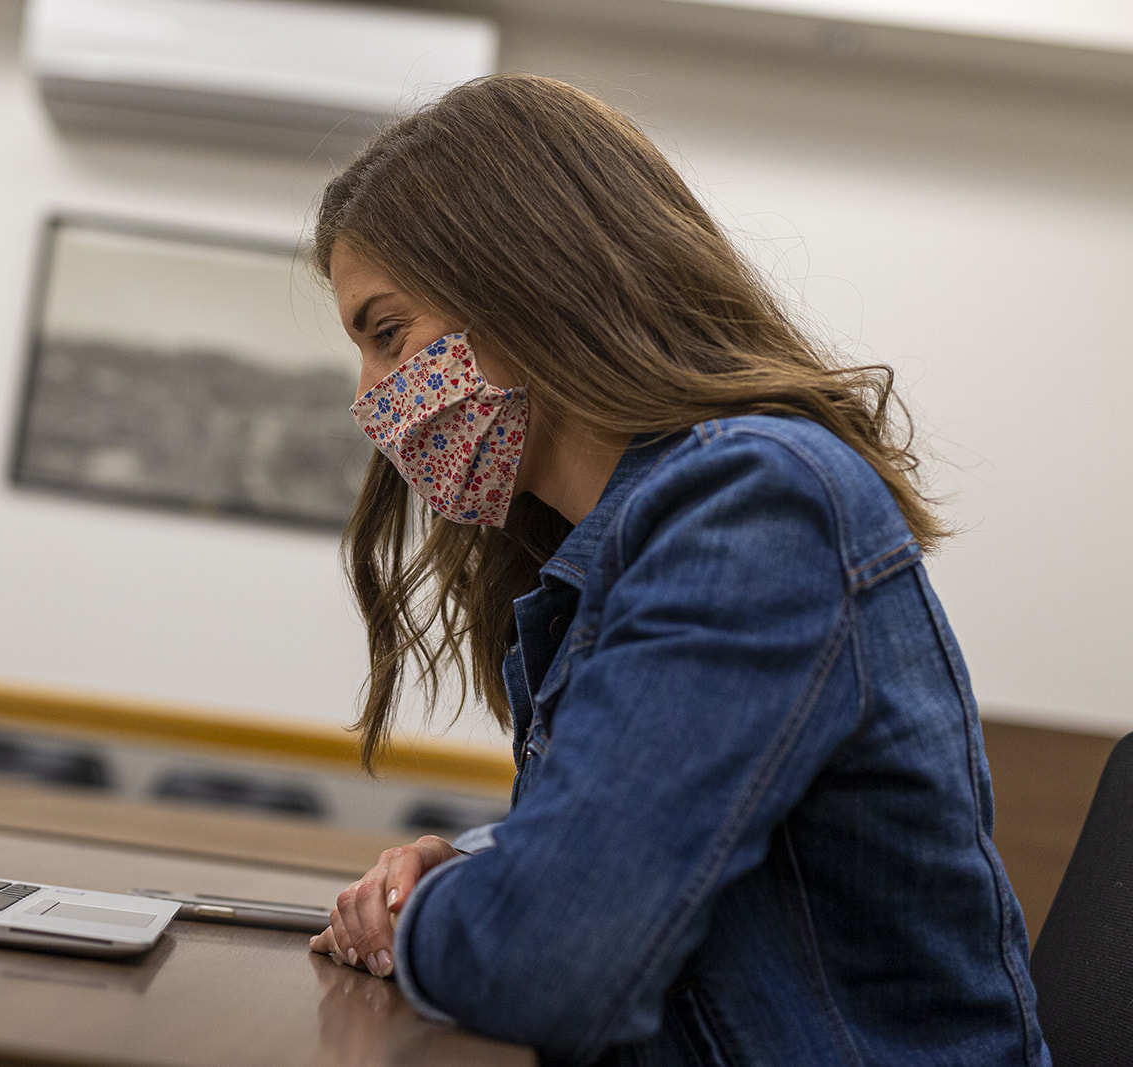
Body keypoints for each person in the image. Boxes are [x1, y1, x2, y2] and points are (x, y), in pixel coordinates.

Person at [306, 74, 1049, 1066]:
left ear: (523, 274)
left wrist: (452, 904)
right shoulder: (648, 529)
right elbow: (705, 846)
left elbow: (551, 955)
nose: (372, 397)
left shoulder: (754, 503)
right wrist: (487, 865)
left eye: (386, 332)